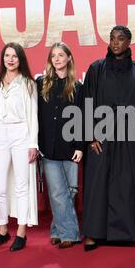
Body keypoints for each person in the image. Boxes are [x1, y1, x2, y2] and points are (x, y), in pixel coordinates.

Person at [81, 25, 135, 251]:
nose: (115, 42)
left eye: (120, 39)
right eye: (112, 38)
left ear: (129, 42)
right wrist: (90, 135)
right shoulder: (96, 69)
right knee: (97, 185)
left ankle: (131, 232)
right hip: (102, 138)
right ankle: (92, 234)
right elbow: (87, 103)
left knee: (128, 185)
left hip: (130, 138)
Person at [0, 42, 39, 252]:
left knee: (22, 185)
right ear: (3, 58)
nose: (10, 59)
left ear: (20, 59)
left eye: (15, 56)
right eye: (7, 55)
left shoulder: (28, 84)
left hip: (21, 133)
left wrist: (33, 143)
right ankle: (3, 230)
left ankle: (21, 233)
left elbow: (33, 115)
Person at [36, 42, 83, 249]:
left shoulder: (78, 87)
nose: (56, 59)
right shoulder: (41, 84)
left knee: (70, 190)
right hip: (48, 147)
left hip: (71, 147)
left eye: (61, 55)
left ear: (69, 58)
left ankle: (56, 229)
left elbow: (83, 118)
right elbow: (34, 116)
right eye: (53, 56)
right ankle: (70, 234)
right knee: (57, 192)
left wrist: (80, 146)